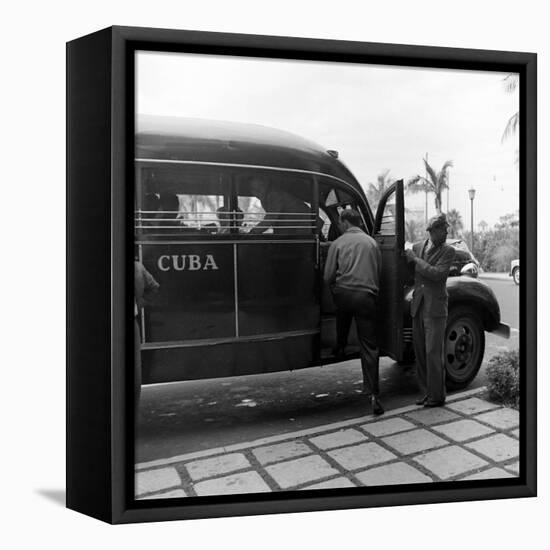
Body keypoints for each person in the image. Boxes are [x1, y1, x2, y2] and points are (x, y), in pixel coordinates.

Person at [323, 209, 384, 415]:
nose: (339, 226)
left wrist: (335, 287)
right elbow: (378, 273)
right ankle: (374, 394)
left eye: (340, 223)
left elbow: (327, 276)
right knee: (369, 346)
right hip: (366, 297)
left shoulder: (338, 243)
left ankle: (340, 346)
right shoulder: (372, 243)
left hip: (344, 294)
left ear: (345, 222)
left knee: (342, 314)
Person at [405, 213, 456, 407]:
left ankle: (437, 396)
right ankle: (426, 393)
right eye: (443, 229)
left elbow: (437, 274)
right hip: (418, 305)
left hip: (435, 308)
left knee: (433, 352)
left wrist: (416, 261)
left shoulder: (448, 251)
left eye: (446, 229)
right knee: (420, 352)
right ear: (432, 231)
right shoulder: (418, 247)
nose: (446, 232)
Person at [247, 176, 313, 235]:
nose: (256, 193)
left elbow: (271, 217)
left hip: (305, 226)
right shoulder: (267, 195)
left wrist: (254, 232)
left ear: (265, 183)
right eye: (253, 190)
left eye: (258, 189)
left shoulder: (274, 194)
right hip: (297, 227)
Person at [134, 260, 160, 412]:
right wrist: (140, 303)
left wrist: (139, 303)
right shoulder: (136, 267)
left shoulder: (137, 267)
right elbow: (153, 287)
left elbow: (153, 287)